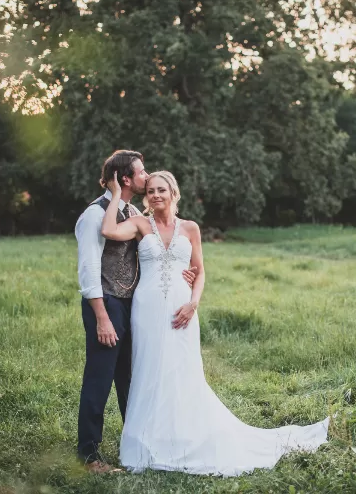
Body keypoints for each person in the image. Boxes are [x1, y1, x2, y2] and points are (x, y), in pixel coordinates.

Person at [101, 170, 329, 476]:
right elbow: (108, 231)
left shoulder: (190, 228)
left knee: (182, 370)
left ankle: (184, 435)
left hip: (183, 307)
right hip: (147, 308)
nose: (155, 195)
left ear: (173, 193)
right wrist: (116, 193)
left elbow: (200, 271)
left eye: (161, 190)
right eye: (151, 190)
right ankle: (149, 441)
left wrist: (193, 303)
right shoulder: (140, 224)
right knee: (148, 367)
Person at [74, 151, 195, 473]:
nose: (147, 176)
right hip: (106, 305)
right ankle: (88, 456)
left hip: (134, 307)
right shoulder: (94, 215)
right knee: (99, 379)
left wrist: (182, 273)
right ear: (125, 179)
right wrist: (101, 316)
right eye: (142, 173)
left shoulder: (133, 212)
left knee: (131, 379)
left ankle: (141, 444)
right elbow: (88, 270)